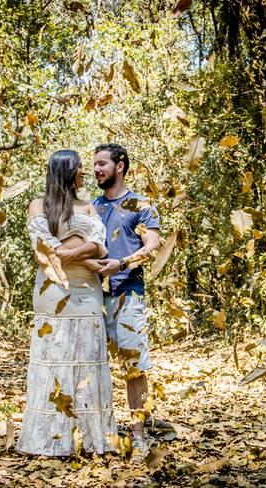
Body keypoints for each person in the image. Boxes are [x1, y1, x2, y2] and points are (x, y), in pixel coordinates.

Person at [18, 150, 117, 457]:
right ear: (66, 171)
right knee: (55, 356)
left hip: (88, 292)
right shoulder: (39, 205)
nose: (84, 173)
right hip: (53, 289)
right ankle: (52, 438)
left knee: (87, 354)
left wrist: (74, 252)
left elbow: (99, 245)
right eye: (80, 168)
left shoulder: (88, 207)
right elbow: (46, 248)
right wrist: (82, 257)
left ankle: (90, 438)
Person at [92, 143, 172, 462]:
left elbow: (152, 246)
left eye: (102, 164)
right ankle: (101, 433)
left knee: (133, 368)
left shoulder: (140, 205)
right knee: (93, 366)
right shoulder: (92, 207)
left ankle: (139, 435)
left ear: (120, 166)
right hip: (93, 299)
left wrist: (121, 263)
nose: (96, 169)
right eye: (94, 164)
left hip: (128, 294)